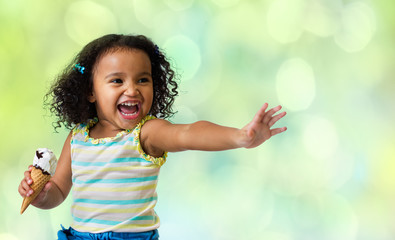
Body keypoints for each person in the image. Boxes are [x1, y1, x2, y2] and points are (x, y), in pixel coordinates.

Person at [18, 34, 287, 240]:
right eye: (117, 81)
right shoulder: (78, 137)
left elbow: (188, 133)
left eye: (143, 80)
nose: (132, 89)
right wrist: (40, 196)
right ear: (90, 92)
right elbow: (59, 191)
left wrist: (239, 137)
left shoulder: (145, 133)